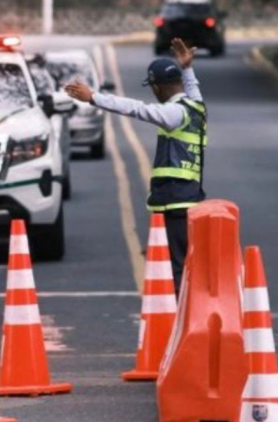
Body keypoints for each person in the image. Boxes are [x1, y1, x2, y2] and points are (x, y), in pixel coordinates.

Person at [65, 38, 207, 293]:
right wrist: (187, 68)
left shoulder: (174, 114)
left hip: (176, 200)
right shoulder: (196, 106)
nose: (153, 92)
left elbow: (137, 109)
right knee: (179, 262)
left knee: (175, 267)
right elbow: (193, 87)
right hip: (187, 198)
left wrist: (94, 97)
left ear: (159, 86)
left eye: (153, 87)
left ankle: (178, 319)